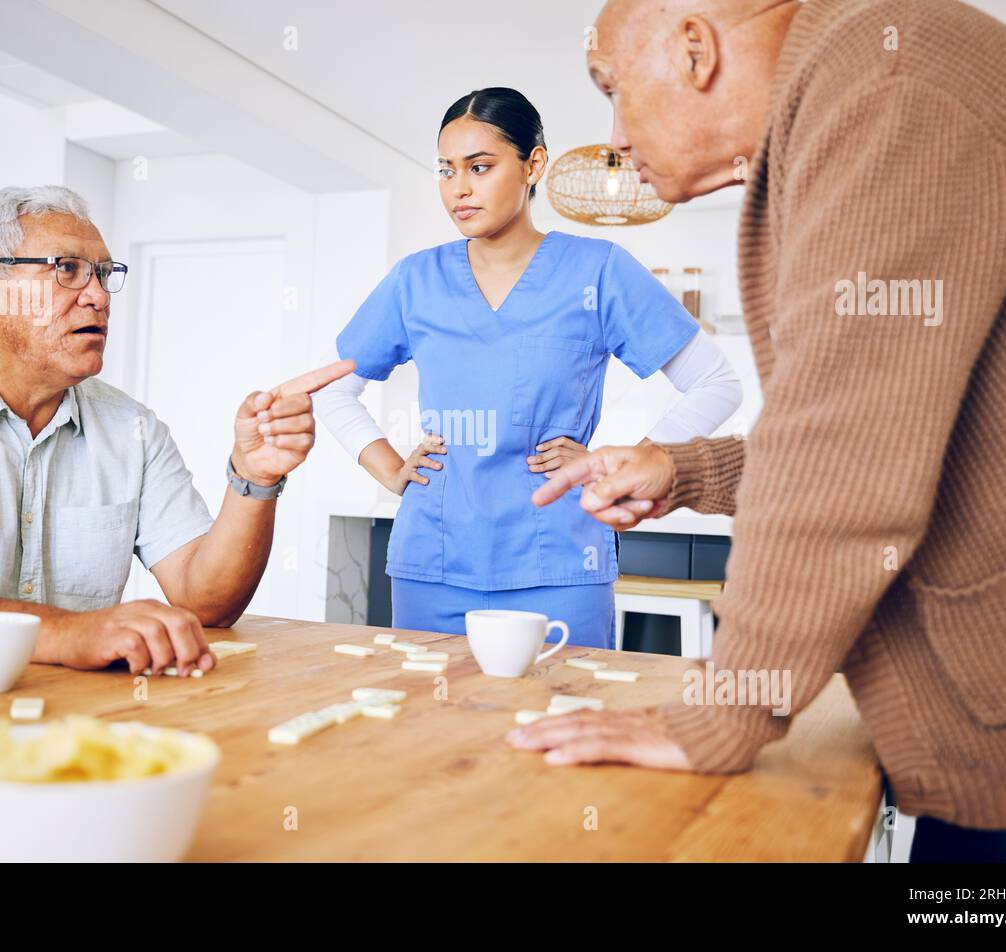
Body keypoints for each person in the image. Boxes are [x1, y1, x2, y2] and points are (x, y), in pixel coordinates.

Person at [508, 0, 1006, 862]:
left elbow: (847, 446)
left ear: (695, 47)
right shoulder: (874, 77)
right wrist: (685, 468)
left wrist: (722, 712)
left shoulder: (889, 85)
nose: (616, 136)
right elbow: (902, 425)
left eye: (613, 88)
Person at [0, 185, 352, 675]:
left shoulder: (132, 429)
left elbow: (206, 601)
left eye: (105, 275)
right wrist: (65, 633)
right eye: (66, 270)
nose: (99, 296)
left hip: (48, 726)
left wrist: (252, 479)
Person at [313, 87, 741, 648]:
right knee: (431, 725)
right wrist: (391, 469)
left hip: (560, 560)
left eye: (480, 167)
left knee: (562, 719)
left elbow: (716, 383)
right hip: (433, 560)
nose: (459, 188)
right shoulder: (413, 282)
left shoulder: (599, 272)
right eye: (446, 170)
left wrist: (624, 463)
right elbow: (330, 391)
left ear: (534, 163)